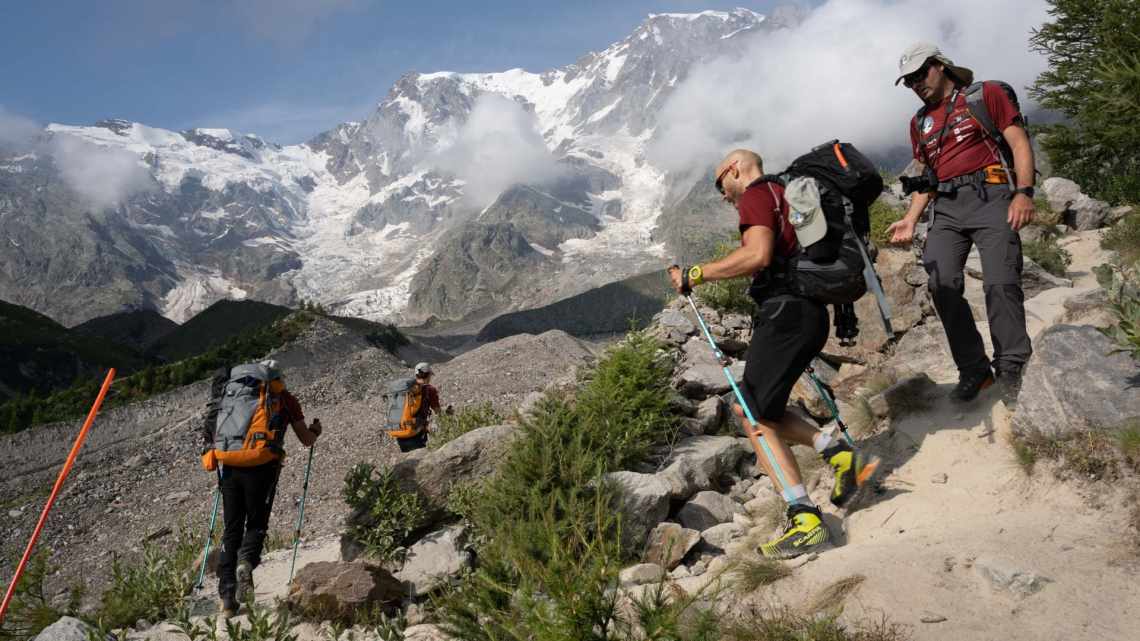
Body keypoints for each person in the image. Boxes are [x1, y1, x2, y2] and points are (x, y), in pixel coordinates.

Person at [668, 149, 875, 560]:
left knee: (750, 411)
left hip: (785, 312)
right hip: (811, 314)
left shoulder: (757, 194)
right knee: (764, 406)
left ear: (734, 170)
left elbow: (757, 255)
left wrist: (696, 273)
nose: (724, 196)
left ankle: (805, 519)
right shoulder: (785, 192)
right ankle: (838, 454)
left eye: (719, 185)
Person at [886, 42, 1035, 403]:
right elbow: (927, 178)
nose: (916, 84)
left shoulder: (986, 95)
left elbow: (1018, 143)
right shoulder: (919, 122)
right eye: (909, 81)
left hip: (992, 195)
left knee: (1000, 284)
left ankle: (1013, 366)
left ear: (940, 66)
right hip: (948, 208)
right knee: (942, 284)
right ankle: (974, 370)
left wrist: (1024, 192)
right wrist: (909, 218)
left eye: (920, 74)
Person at [200, 359, 322, 616]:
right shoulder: (284, 398)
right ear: (276, 377)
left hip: (229, 466)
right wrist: (315, 430)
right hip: (263, 470)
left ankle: (227, 599)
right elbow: (306, 440)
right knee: (256, 525)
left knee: (231, 529)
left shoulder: (231, 393)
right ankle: (246, 562)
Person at [395, 362, 444, 452]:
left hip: (400, 433)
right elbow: (437, 411)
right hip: (415, 433)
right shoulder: (430, 390)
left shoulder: (406, 389)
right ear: (428, 375)